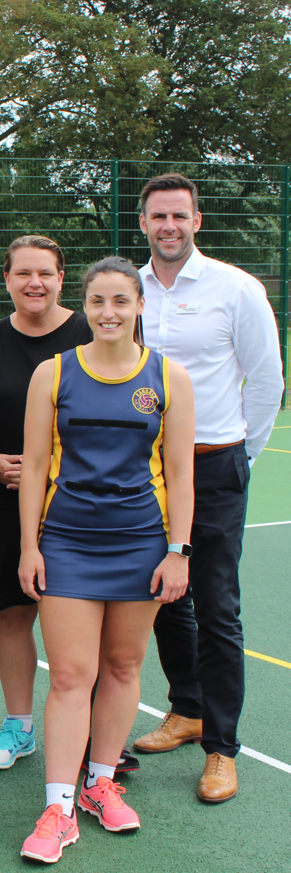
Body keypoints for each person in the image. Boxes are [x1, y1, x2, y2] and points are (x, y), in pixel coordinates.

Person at [16, 257, 194, 863]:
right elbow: (35, 467)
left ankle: (99, 784)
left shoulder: (169, 378)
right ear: (84, 306)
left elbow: (180, 472)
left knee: (122, 666)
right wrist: (29, 546)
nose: (109, 312)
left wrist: (177, 551)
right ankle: (58, 808)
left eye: (121, 301)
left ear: (140, 306)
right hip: (66, 542)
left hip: (142, 545)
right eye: (98, 301)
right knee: (70, 675)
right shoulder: (54, 372)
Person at [130, 173, 284, 803]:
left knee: (217, 609)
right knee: (164, 594)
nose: (169, 226)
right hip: (144, 470)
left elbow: (266, 381)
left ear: (197, 221)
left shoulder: (235, 289)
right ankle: (186, 709)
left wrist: (236, 456)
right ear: (143, 223)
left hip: (215, 465)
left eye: (179, 216)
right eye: (158, 216)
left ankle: (222, 748)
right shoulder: (126, 289)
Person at [0, 236, 93, 770]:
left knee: (81, 621)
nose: (34, 283)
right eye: (22, 274)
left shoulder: (90, 330)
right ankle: (20, 727)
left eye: (45, 273)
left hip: (79, 503)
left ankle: (89, 732)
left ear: (62, 278)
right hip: (6, 498)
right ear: (7, 280)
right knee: (13, 614)